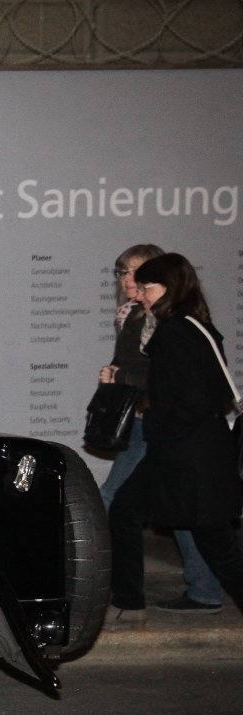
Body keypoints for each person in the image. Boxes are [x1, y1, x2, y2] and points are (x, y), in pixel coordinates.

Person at [107, 253, 243, 620]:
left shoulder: (176, 333)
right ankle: (129, 601)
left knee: (218, 545)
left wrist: (158, 420)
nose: (140, 294)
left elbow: (194, 400)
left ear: (171, 287)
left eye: (147, 287)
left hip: (187, 455)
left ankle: (130, 602)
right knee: (125, 510)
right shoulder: (192, 327)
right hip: (187, 451)